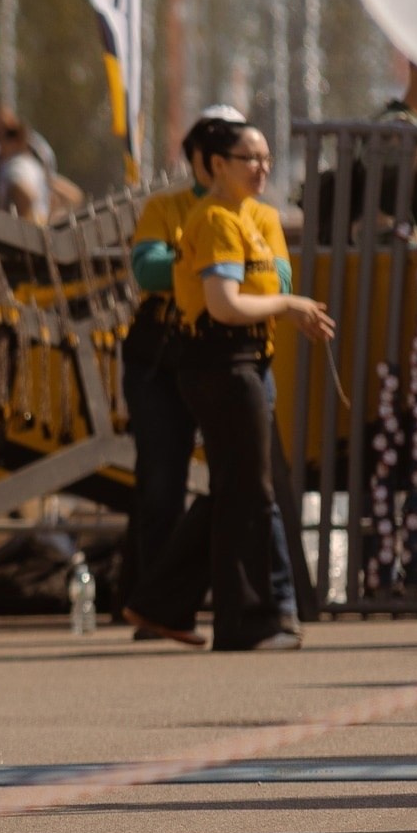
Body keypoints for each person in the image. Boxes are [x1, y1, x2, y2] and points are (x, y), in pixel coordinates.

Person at [125, 119, 333, 651]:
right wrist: (288, 305)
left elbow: (269, 278)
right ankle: (246, 621)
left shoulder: (251, 217)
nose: (262, 168)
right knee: (249, 493)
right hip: (222, 361)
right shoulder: (216, 218)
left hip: (244, 361)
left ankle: (162, 602)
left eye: (266, 158)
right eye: (249, 158)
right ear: (216, 165)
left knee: (237, 489)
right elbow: (223, 304)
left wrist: (284, 301)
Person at [122, 106, 247, 629]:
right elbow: (147, 270)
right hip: (161, 356)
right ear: (199, 157)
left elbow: (273, 277)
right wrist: (212, 265)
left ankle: (228, 599)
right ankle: (155, 605)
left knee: (237, 478)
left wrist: (200, 267)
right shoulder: (166, 207)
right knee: (161, 483)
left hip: (225, 353)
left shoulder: (252, 212)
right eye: (214, 148)